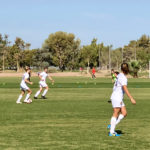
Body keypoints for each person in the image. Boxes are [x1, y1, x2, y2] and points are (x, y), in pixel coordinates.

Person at [108, 63, 136, 136]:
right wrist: (131, 98)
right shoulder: (123, 77)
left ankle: (112, 125)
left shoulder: (119, 75)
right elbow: (125, 88)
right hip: (117, 97)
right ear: (127, 70)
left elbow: (115, 86)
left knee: (124, 113)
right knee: (116, 113)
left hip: (116, 97)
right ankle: (111, 132)